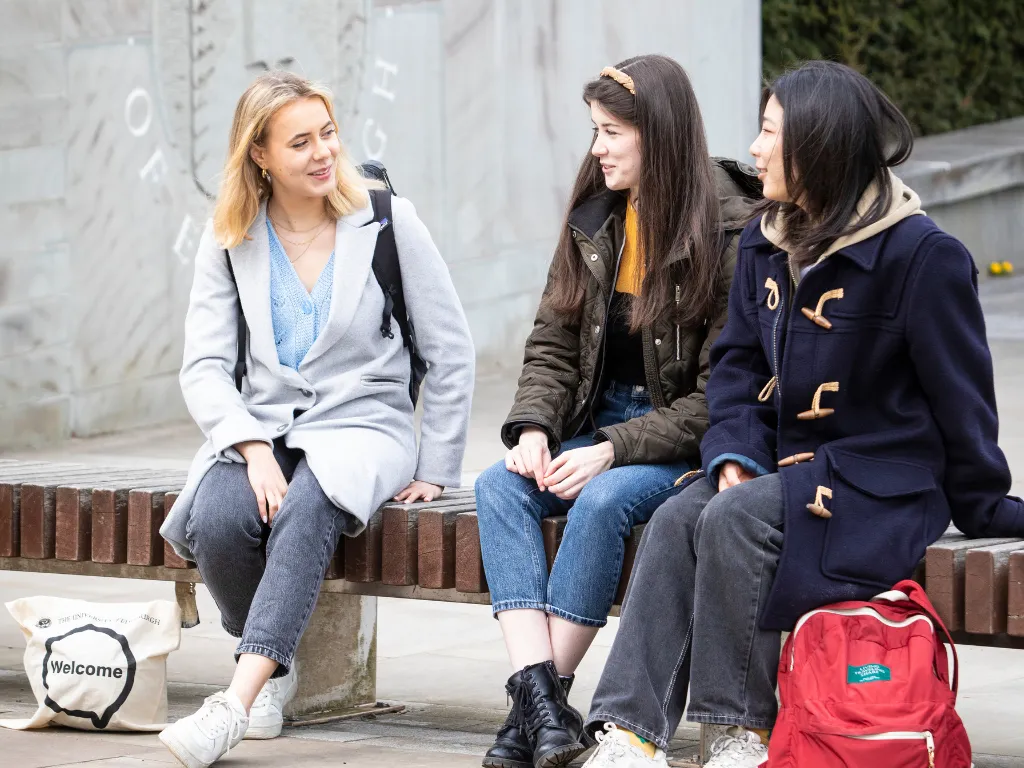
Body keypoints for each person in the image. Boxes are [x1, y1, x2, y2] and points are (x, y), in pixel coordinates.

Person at [581, 59, 1024, 768]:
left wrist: (984, 503)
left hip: (879, 482)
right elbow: (736, 368)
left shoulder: (920, 256)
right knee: (677, 516)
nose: (754, 149)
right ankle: (630, 733)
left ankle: (739, 732)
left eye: (768, 133)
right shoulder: (765, 239)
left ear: (817, 146)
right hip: (780, 473)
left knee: (734, 519)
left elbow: (964, 398)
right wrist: (731, 455)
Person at [157, 70, 475, 768]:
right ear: (260, 156)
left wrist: (437, 467)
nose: (323, 152)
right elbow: (204, 368)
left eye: (327, 133)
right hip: (265, 424)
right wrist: (248, 444)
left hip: (365, 424)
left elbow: (450, 348)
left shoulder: (387, 217)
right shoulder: (231, 236)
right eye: (300, 142)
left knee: (307, 506)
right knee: (218, 517)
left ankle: (236, 701)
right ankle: (273, 670)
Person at [474, 54, 760, 768]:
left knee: (600, 503)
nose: (597, 147)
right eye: (594, 130)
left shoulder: (729, 232)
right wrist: (537, 427)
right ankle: (542, 708)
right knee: (495, 486)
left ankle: (541, 702)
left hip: (669, 444)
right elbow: (551, 341)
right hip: (587, 424)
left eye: (611, 132)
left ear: (657, 135)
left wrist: (611, 448)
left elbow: (718, 395)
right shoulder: (596, 216)